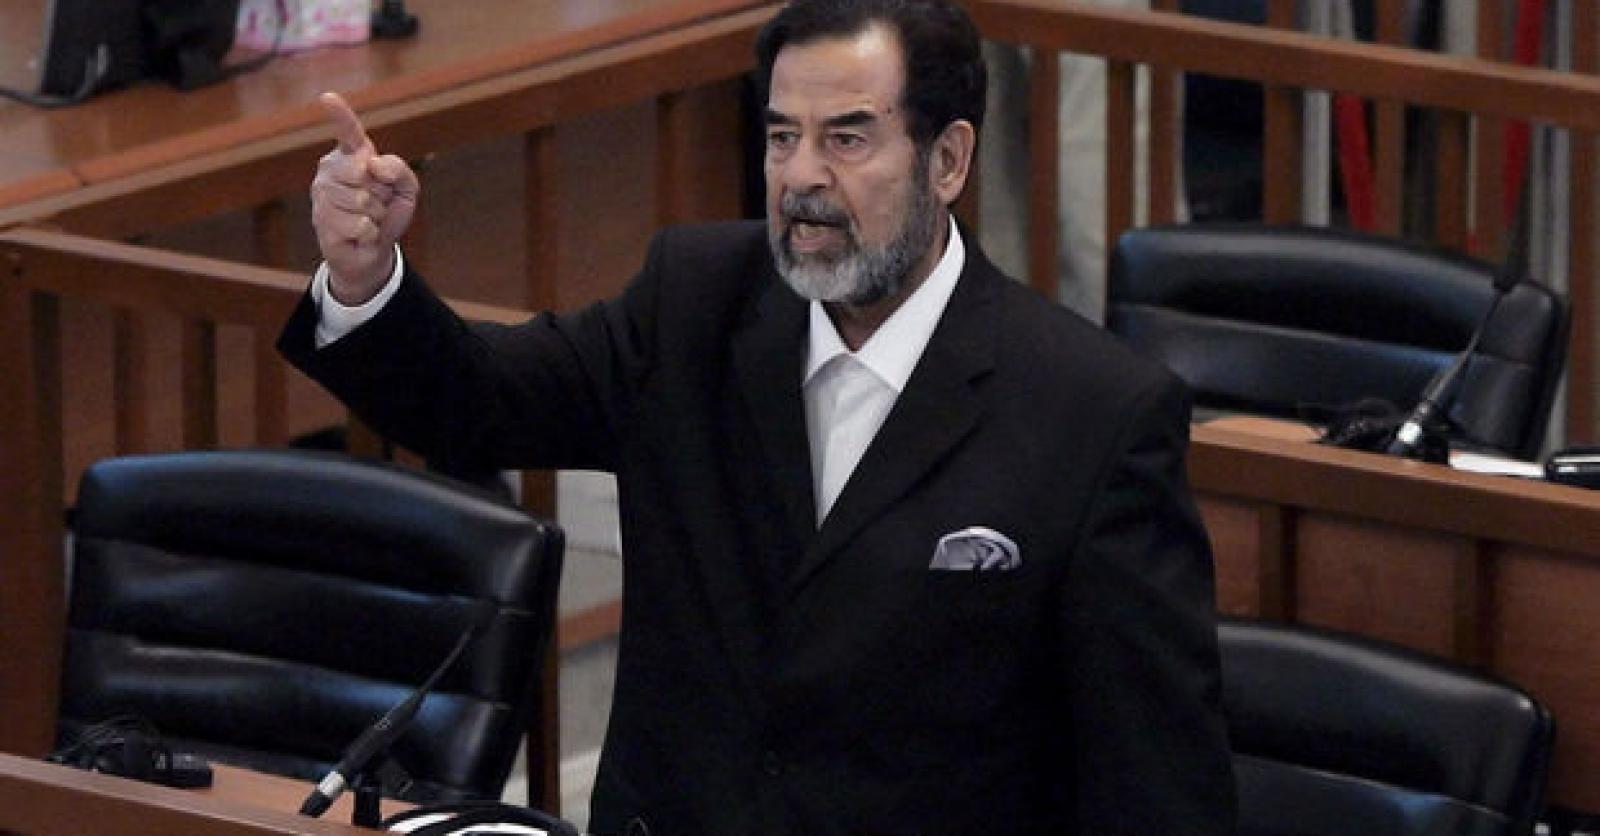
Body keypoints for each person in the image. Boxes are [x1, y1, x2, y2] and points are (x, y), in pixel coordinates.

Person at [279, 0, 1237, 833]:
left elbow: (1155, 787)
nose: (800, 178)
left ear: (947, 160)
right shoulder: (695, 302)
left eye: (846, 140)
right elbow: (476, 403)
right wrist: (364, 278)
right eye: (782, 138)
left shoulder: (1092, 412)